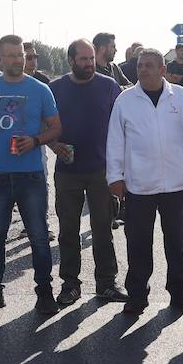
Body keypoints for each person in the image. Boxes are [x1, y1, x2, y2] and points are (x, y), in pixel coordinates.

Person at [106, 48, 183, 315]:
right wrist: (115, 177)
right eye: (140, 65)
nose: (143, 69)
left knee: (176, 241)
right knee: (138, 242)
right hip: (139, 184)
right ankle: (137, 295)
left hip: (176, 184)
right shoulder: (126, 100)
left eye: (149, 65)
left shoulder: (181, 97)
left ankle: (180, 293)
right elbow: (115, 141)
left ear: (162, 69)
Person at [0, 35, 63, 316]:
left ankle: (44, 293)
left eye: (20, 55)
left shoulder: (40, 89)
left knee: (38, 237)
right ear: (1, 58)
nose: (17, 60)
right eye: (11, 55)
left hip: (31, 176)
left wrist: (35, 140)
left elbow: (56, 127)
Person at [49, 39, 128, 305]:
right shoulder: (56, 88)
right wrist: (53, 144)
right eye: (83, 59)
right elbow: (43, 123)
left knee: (103, 228)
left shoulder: (109, 86)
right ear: (71, 60)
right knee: (68, 230)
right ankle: (70, 284)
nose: (89, 64)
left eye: (91, 58)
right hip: (67, 171)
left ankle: (106, 282)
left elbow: (123, 123)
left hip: (101, 169)